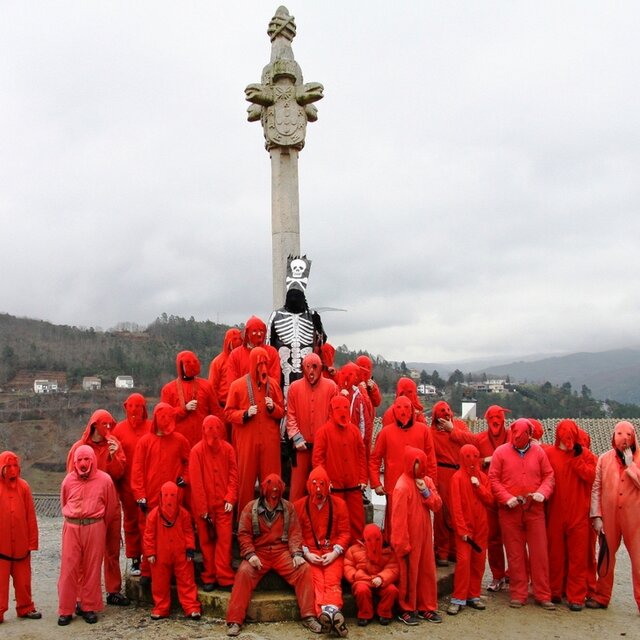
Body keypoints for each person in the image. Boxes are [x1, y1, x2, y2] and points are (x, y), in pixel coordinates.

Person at [225, 474, 321, 636]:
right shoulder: (250, 508)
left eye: (276, 496)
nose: (273, 499)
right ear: (264, 493)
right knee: (243, 572)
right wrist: (250, 554)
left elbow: (295, 533)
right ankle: (235, 620)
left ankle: (309, 616)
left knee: (304, 569)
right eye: (271, 495)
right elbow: (243, 534)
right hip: (259, 553)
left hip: (281, 552)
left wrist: (297, 554)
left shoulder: (288, 508)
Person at [488, 418, 555, 609]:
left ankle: (542, 594)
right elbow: (493, 479)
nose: (519, 438)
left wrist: (542, 493)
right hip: (510, 510)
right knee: (515, 553)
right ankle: (518, 593)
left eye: (523, 435)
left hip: (534, 508)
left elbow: (549, 475)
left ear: (529, 435)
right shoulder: (501, 453)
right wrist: (506, 497)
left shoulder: (539, 452)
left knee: (539, 552)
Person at [66, 410, 129, 607]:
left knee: (112, 549)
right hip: (88, 508)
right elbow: (70, 480)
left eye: (111, 425)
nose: (109, 429)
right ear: (95, 425)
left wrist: (113, 457)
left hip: (111, 503)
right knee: (84, 555)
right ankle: (80, 596)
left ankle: (113, 590)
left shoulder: (114, 444)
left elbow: (119, 474)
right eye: (105, 425)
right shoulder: (80, 448)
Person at [448, 404, 511, 591]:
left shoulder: (513, 437)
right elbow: (468, 442)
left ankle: (516, 575)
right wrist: (485, 460)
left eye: (498, 417)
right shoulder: (481, 439)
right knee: (492, 539)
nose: (495, 422)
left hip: (510, 494)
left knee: (515, 538)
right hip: (487, 493)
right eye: (491, 418)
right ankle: (498, 575)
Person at [58, 445, 119, 626]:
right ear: (75, 462)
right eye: (80, 460)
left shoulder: (105, 480)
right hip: (73, 526)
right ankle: (65, 609)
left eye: (87, 459)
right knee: (69, 569)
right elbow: (64, 500)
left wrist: (99, 526)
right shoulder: (68, 481)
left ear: (92, 460)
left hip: (95, 526)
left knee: (92, 568)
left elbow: (110, 507)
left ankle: (88, 606)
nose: (83, 464)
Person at [130, 403, 190, 584]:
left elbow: (189, 463)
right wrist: (140, 495)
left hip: (173, 498)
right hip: (151, 496)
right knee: (148, 533)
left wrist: (184, 479)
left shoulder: (180, 440)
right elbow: (137, 470)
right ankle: (147, 571)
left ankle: (172, 570)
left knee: (174, 534)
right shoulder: (145, 442)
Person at [543, 419, 596, 611]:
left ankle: (576, 596)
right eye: (564, 438)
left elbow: (592, 477)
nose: (567, 442)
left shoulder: (586, 455)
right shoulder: (549, 454)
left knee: (578, 557)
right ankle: (555, 590)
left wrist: (578, 459)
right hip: (556, 512)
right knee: (555, 553)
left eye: (570, 438)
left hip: (578, 514)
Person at [587, 420, 640, 612]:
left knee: (639, 561)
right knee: (606, 559)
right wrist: (596, 515)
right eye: (620, 435)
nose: (624, 440)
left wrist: (631, 466)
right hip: (609, 517)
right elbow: (596, 488)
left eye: (628, 436)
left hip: (635, 519)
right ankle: (601, 597)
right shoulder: (604, 459)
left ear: (634, 437)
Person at [225, 346, 284, 515]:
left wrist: (273, 408)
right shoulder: (237, 386)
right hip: (247, 443)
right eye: (259, 364)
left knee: (272, 482)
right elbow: (228, 413)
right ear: (252, 364)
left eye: (265, 363)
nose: (263, 368)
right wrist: (244, 414)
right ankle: (244, 524)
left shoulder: (273, 385)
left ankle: (275, 522)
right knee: (245, 482)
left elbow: (282, 411)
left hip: (270, 443)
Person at [369, 396, 437, 541]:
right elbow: (375, 459)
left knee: (417, 526)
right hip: (394, 488)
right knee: (395, 527)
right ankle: (395, 557)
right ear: (393, 411)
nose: (403, 412)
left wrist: (431, 486)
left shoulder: (424, 431)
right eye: (399, 408)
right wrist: (375, 483)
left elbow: (431, 460)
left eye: (406, 408)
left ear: (412, 410)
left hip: (418, 487)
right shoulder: (386, 432)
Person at [294, 466, 351, 636]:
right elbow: (296, 535)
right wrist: (306, 553)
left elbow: (345, 533)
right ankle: (330, 614)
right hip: (311, 553)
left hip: (332, 552)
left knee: (332, 580)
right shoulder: (299, 506)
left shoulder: (339, 505)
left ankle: (329, 613)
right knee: (316, 581)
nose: (318, 498)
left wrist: (335, 552)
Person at [391, 446, 442, 625]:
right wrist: (401, 543)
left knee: (427, 571)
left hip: (425, 536)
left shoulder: (426, 482)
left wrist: (425, 492)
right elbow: (398, 519)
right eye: (417, 464)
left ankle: (426, 606)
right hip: (409, 539)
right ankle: (406, 609)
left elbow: (437, 505)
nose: (419, 468)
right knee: (409, 575)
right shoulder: (402, 486)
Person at [189, 415, 238, 590]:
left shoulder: (228, 449)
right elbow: (196, 482)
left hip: (224, 505)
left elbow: (233, 474)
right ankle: (209, 576)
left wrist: (230, 497)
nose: (213, 434)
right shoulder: (196, 451)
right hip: (205, 507)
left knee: (224, 541)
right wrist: (203, 509)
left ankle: (224, 576)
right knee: (206, 542)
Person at [313, 395, 368, 544]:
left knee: (357, 519)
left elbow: (362, 455)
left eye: (345, 407)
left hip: (354, 485)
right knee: (335, 519)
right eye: (338, 408)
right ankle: (336, 548)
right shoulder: (323, 432)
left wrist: (363, 478)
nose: (342, 412)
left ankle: (356, 548)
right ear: (331, 410)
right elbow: (318, 459)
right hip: (334, 487)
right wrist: (324, 481)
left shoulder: (355, 431)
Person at [143, 481, 202, 620]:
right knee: (159, 583)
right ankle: (161, 608)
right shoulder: (153, 515)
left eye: (172, 495)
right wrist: (150, 553)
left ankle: (191, 607)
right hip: (160, 555)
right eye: (166, 495)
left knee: (187, 580)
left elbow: (189, 533)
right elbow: (148, 536)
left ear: (178, 496)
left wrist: (189, 549)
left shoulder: (184, 514)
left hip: (181, 554)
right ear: (161, 496)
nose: (169, 499)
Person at [447, 444, 494, 615]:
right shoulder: (457, 478)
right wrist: (462, 530)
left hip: (481, 527)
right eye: (468, 456)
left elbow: (490, 500)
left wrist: (478, 486)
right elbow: (455, 506)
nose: (472, 460)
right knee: (464, 562)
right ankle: (458, 597)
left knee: (479, 562)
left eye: (475, 456)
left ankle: (473, 595)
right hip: (465, 530)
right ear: (461, 458)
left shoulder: (482, 477)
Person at [286, 353, 337, 502]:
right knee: (297, 488)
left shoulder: (331, 387)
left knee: (321, 486)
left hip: (322, 449)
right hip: (301, 447)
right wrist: (297, 438)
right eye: (308, 367)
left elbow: (332, 417)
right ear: (303, 368)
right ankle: (295, 523)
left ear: (321, 368)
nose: (311, 371)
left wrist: (324, 440)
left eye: (315, 367)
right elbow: (291, 415)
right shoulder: (294, 388)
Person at [112, 393, 152, 576]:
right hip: (127, 485)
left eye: (138, 407)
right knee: (130, 522)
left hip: (149, 484)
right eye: (131, 407)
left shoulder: (151, 427)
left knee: (148, 522)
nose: (134, 411)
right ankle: (135, 558)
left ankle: (148, 556)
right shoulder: (119, 430)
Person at [429, 401, 472, 566]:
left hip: (459, 474)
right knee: (442, 515)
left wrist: (453, 430)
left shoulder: (459, 426)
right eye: (442, 411)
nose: (447, 413)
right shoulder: (430, 433)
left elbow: (472, 441)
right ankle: (442, 551)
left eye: (448, 410)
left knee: (458, 514)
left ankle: (455, 550)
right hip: (442, 475)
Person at [0, 451, 41, 624]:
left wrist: (33, 542)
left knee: (24, 581)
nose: (11, 470)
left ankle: (25, 607)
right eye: (8, 466)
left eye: (14, 466)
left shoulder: (24, 487)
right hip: (1, 548)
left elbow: (30, 516)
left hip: (22, 547)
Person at [161, 350, 221, 448]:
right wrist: (184, 409)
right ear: (180, 366)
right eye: (187, 363)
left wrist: (219, 438)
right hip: (179, 444)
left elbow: (216, 413)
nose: (191, 365)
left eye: (194, 362)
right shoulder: (168, 390)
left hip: (204, 442)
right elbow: (164, 419)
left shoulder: (206, 386)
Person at [343, 523, 399, 627]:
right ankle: (365, 614)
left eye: (377, 540)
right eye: (369, 540)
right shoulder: (354, 549)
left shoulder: (388, 550)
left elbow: (393, 568)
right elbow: (348, 566)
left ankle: (384, 613)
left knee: (392, 590)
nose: (373, 543)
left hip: (381, 581)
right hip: (362, 580)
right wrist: (355, 576)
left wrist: (382, 578)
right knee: (361, 590)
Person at [208, 328, 243, 439]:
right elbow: (212, 388)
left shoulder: (244, 359)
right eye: (234, 339)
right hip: (222, 409)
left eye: (239, 339)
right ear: (227, 341)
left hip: (241, 409)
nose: (237, 341)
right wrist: (217, 411)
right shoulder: (218, 362)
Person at [227, 316, 281, 385]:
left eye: (261, 331)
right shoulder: (235, 354)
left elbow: (275, 381)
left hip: (266, 395)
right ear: (247, 333)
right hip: (243, 394)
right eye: (254, 331)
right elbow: (232, 383)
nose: (259, 334)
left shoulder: (272, 352)